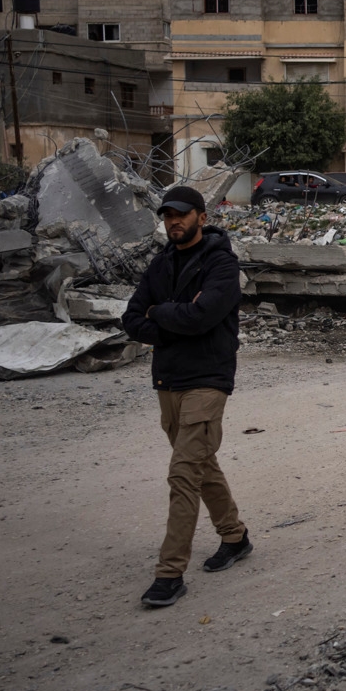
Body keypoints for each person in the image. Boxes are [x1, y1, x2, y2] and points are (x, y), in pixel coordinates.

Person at [121, 186, 251, 609]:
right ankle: (235, 538)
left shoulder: (221, 264)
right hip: (169, 382)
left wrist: (160, 312)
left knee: (182, 474)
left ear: (200, 215)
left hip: (207, 380)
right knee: (200, 465)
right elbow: (131, 319)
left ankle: (169, 573)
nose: (173, 222)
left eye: (180, 214)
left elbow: (201, 317)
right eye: (166, 216)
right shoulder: (160, 265)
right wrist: (170, 316)